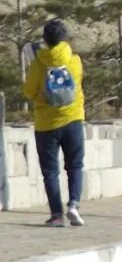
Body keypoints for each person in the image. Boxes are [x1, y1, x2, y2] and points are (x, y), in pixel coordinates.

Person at [23, 19, 85, 227]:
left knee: (50, 172)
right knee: (75, 166)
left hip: (46, 124)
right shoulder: (74, 61)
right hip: (73, 119)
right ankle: (74, 205)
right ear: (63, 38)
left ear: (45, 40)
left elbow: (29, 92)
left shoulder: (38, 64)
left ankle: (56, 215)